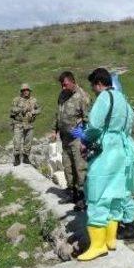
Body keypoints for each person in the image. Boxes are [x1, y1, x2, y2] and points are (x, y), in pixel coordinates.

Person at [75, 68, 134, 261]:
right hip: (122, 151)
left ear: (98, 83)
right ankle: (111, 239)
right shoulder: (124, 101)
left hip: (106, 153)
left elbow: (94, 125)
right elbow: (128, 127)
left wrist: (84, 139)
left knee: (97, 195)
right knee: (114, 196)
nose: (94, 90)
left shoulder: (105, 97)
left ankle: (97, 245)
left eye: (93, 86)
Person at [52, 71, 90, 210]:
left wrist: (85, 138)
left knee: (80, 167)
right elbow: (59, 114)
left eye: (65, 85)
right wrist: (54, 129)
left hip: (77, 139)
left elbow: (88, 119)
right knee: (67, 166)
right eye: (62, 85)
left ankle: (82, 197)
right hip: (65, 138)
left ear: (72, 82)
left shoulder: (82, 96)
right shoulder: (62, 95)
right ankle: (71, 193)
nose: (63, 88)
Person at [10, 83, 41, 166]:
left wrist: (33, 112)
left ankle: (26, 157)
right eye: (24, 90)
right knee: (17, 141)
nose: (26, 92)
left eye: (27, 90)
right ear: (22, 91)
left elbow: (39, 109)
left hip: (29, 124)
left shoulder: (34, 100)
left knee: (28, 142)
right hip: (18, 124)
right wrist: (21, 109)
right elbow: (12, 110)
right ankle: (16, 158)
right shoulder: (16, 100)